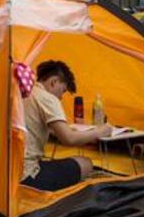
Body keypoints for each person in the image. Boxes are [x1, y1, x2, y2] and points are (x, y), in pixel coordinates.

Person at [22, 60, 112, 191]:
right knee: (86, 163)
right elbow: (69, 138)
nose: (61, 98)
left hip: (7, 173)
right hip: (27, 176)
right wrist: (100, 132)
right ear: (54, 82)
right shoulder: (47, 98)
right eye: (63, 91)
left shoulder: (24, 91)